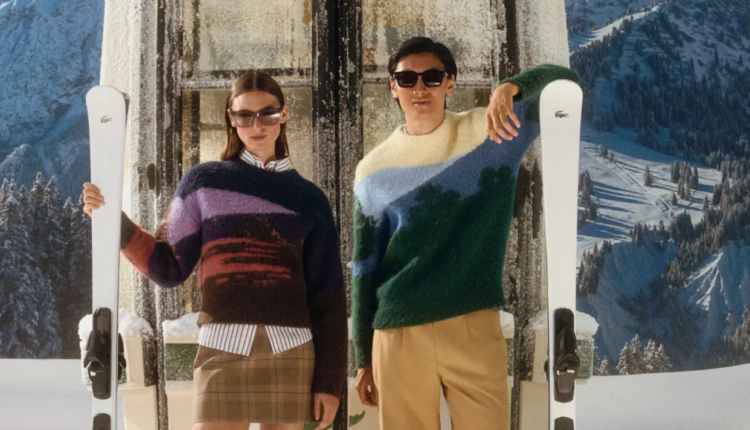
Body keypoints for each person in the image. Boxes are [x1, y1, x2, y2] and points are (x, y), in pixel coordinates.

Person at [83, 71, 347, 430]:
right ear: (231, 118)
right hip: (222, 346)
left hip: (291, 348)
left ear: (283, 114)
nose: (257, 125)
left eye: (268, 113)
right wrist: (112, 218)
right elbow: (167, 268)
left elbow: (328, 297)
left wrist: (329, 382)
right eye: (244, 115)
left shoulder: (310, 199)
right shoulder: (202, 183)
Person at [351, 37, 580, 430]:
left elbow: (565, 83)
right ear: (392, 87)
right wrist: (362, 359)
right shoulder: (372, 170)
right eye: (406, 79)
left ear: (450, 83)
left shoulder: (492, 131)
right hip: (399, 331)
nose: (419, 88)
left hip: (473, 323)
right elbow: (364, 268)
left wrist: (511, 87)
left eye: (432, 77)